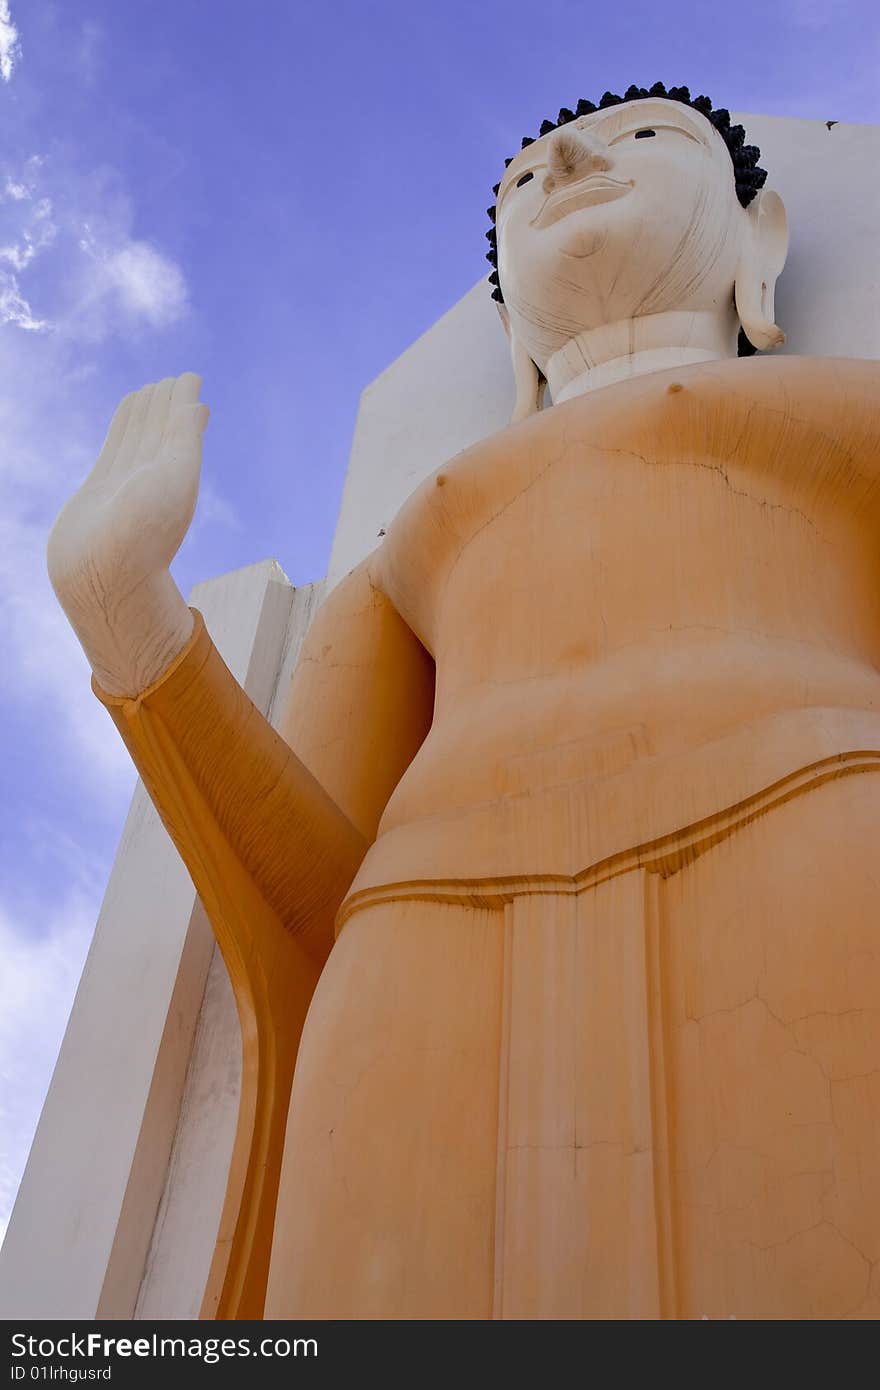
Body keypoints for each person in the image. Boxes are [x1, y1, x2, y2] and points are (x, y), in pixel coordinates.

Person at [48, 86, 880, 1320]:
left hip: (811, 847)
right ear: (513, 337)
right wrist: (130, 619)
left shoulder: (841, 414)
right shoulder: (421, 534)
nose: (571, 158)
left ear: (757, 234)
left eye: (652, 137)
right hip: (426, 951)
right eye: (524, 180)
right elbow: (306, 884)